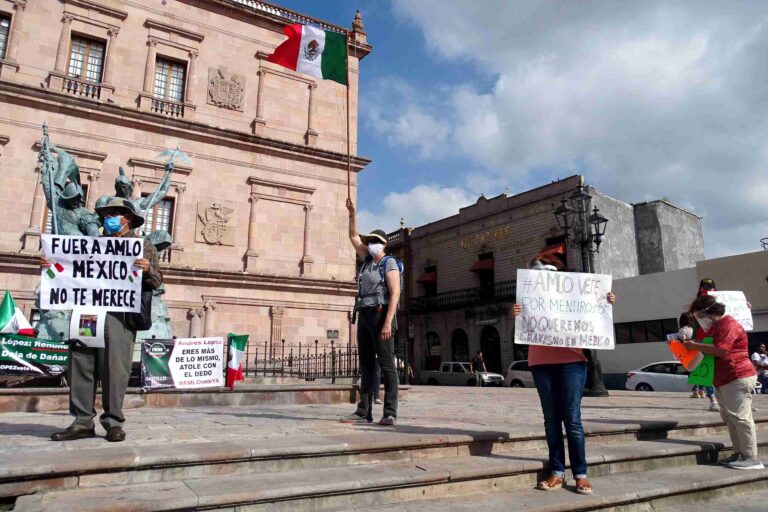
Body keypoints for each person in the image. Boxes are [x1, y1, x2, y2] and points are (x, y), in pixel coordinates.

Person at [47, 198, 162, 443]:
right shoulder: (92, 244)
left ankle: (113, 422)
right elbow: (68, 271)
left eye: (114, 213)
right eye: (107, 213)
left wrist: (147, 270)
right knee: (81, 365)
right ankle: (82, 422)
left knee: (114, 369)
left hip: (119, 316)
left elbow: (157, 282)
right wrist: (50, 265)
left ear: (127, 218)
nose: (109, 217)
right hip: (87, 312)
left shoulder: (143, 246)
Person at [511, 258, 616, 495]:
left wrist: (606, 301)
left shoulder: (571, 292)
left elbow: (593, 315)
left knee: (572, 419)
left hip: (572, 361)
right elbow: (524, 330)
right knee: (551, 420)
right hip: (541, 362)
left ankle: (581, 474)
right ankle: (557, 472)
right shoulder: (527, 296)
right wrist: (515, 314)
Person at [682, 295, 762, 470]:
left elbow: (721, 350)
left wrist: (695, 346)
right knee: (731, 417)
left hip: (737, 376)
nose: (698, 320)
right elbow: (709, 343)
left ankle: (750, 456)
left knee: (741, 417)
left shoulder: (728, 324)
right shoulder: (715, 326)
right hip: (724, 378)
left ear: (707, 313)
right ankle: (740, 453)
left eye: (699, 316)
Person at [340, 198, 400, 426]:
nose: (372, 244)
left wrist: (387, 322)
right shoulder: (366, 261)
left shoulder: (389, 263)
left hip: (381, 313)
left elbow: (395, 294)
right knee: (365, 364)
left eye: (376, 241)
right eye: (371, 241)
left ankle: (390, 412)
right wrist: (352, 213)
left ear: (384, 245)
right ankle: (363, 410)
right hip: (364, 314)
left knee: (387, 365)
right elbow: (353, 237)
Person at [679, 312, 719, 412]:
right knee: (704, 372)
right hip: (703, 350)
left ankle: (697, 392)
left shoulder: (683, 329)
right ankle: (704, 393)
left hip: (692, 354)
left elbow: (683, 343)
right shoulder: (697, 328)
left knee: (694, 372)